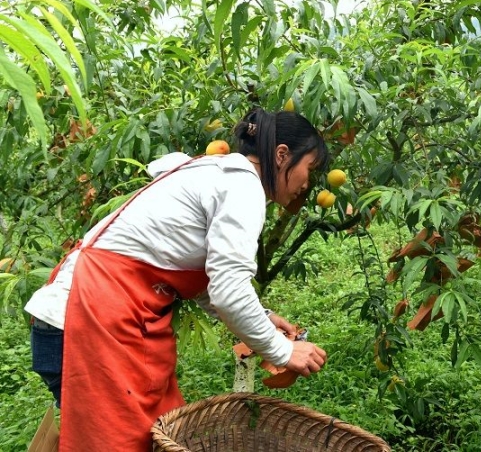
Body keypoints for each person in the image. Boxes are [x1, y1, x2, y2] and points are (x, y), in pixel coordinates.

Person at [25, 108, 331, 451]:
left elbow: (205, 280)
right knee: (125, 442)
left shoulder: (215, 173)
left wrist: (263, 317)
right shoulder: (243, 186)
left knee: (154, 437)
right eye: (310, 169)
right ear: (281, 155)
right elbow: (229, 292)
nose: (308, 184)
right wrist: (283, 351)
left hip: (92, 316)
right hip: (89, 319)